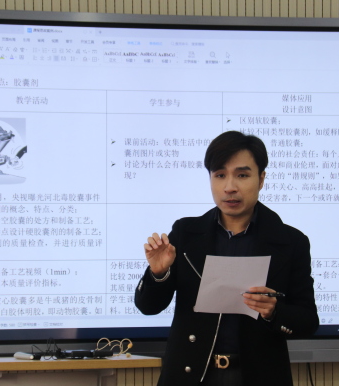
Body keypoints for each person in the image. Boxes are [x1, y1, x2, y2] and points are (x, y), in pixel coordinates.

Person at [134, 130, 319, 386]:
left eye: (242, 175)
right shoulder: (186, 233)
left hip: (258, 377)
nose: (230, 187)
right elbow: (148, 307)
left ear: (261, 179)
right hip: (191, 376)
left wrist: (274, 311)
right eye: (220, 175)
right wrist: (158, 274)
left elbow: (308, 322)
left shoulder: (291, 241)